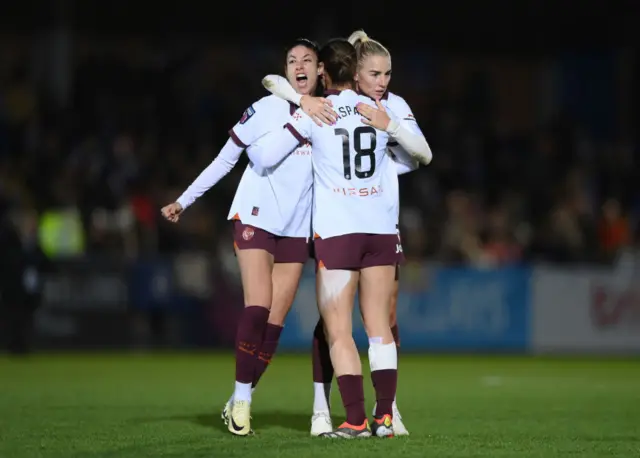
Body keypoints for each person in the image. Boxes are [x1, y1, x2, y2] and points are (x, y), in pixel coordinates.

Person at [247, 38, 431, 438]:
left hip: (337, 232)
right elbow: (418, 157)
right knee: (380, 326)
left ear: (324, 73)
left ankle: (355, 419)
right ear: (358, 72)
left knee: (339, 330)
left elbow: (264, 156)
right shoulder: (378, 110)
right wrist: (390, 135)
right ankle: (386, 417)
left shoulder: (317, 113)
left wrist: (302, 103)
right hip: (381, 230)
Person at [161, 38, 338, 436]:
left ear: (321, 69)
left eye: (307, 60)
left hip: (296, 228)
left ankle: (238, 397)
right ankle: (242, 400)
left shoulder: (328, 112)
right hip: (255, 216)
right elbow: (236, 158)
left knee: (273, 327)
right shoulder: (266, 108)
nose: (299, 65)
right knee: (257, 307)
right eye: (292, 60)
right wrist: (184, 200)